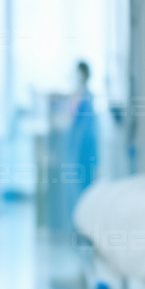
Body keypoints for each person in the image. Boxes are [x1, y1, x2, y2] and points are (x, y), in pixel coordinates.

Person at [62, 60, 99, 227]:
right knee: (76, 188)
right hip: (77, 151)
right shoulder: (78, 96)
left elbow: (85, 131)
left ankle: (83, 224)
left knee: (84, 188)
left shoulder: (86, 98)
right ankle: (78, 224)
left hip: (83, 151)